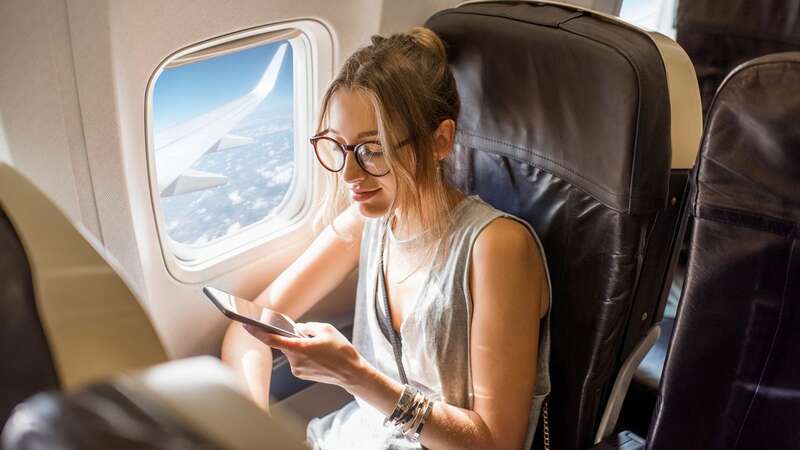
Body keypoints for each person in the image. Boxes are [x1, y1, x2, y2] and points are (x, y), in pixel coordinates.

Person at [221, 27, 551, 450]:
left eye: (372, 151)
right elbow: (248, 325)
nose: (348, 175)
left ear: (440, 141)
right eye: (339, 147)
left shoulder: (497, 248)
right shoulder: (367, 223)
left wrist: (355, 374)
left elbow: (495, 442)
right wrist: (257, 431)